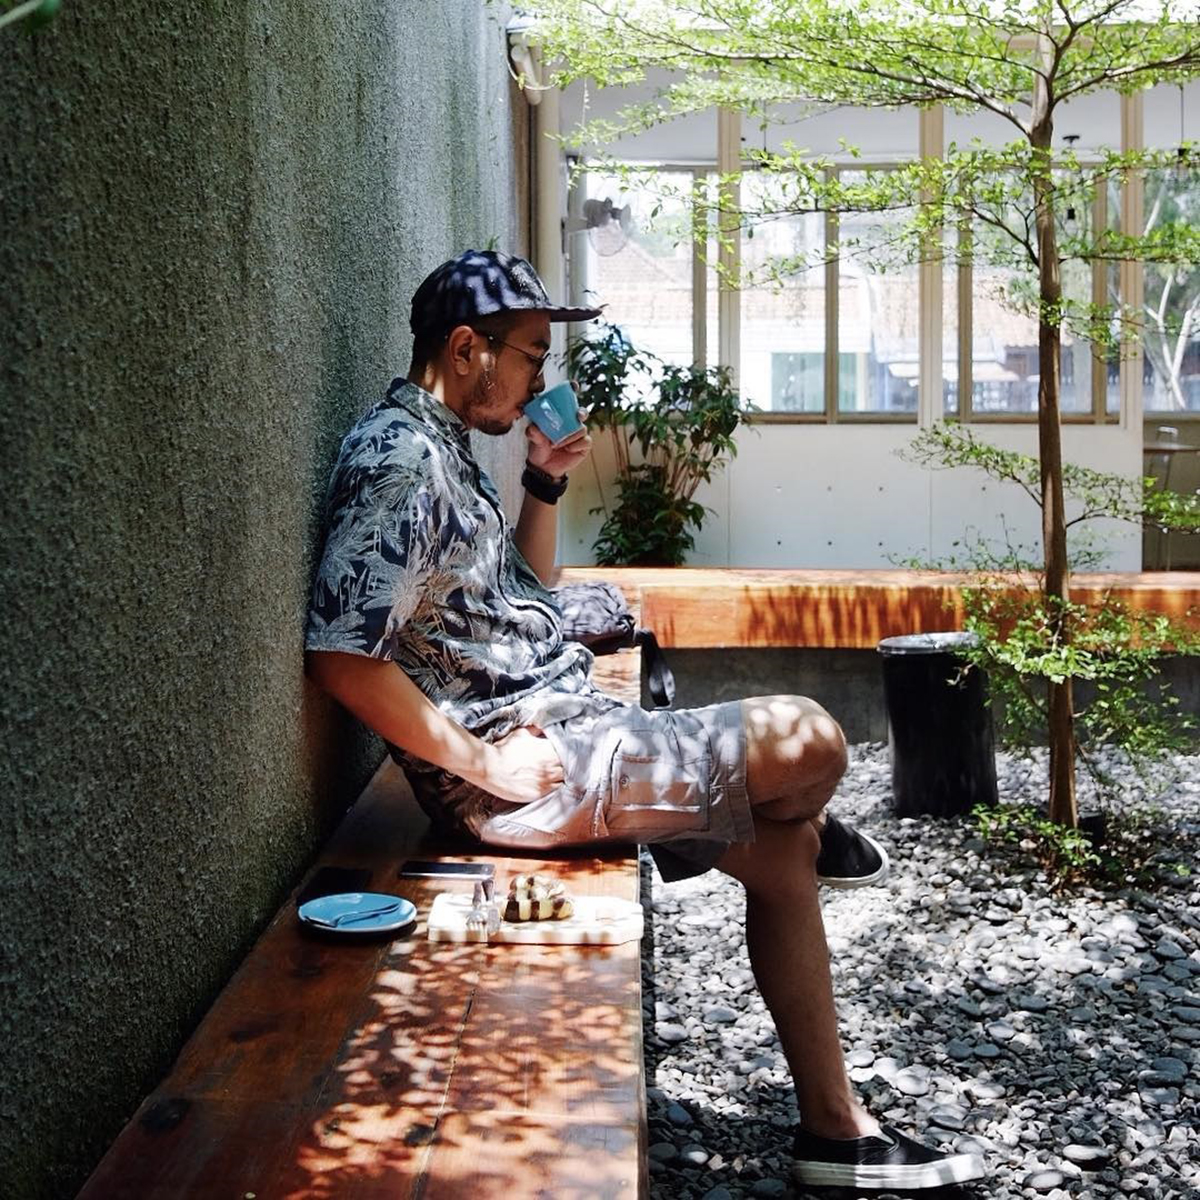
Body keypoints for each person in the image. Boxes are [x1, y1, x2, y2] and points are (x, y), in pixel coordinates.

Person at [304, 249, 987, 1192]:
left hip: (570, 723)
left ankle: (835, 1133)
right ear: (467, 350)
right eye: (532, 357)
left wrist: (543, 483)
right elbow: (342, 656)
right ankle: (787, 820)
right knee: (813, 738)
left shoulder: (444, 446)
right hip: (529, 768)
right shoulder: (398, 462)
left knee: (784, 855)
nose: (541, 380)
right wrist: (489, 767)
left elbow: (522, 596)